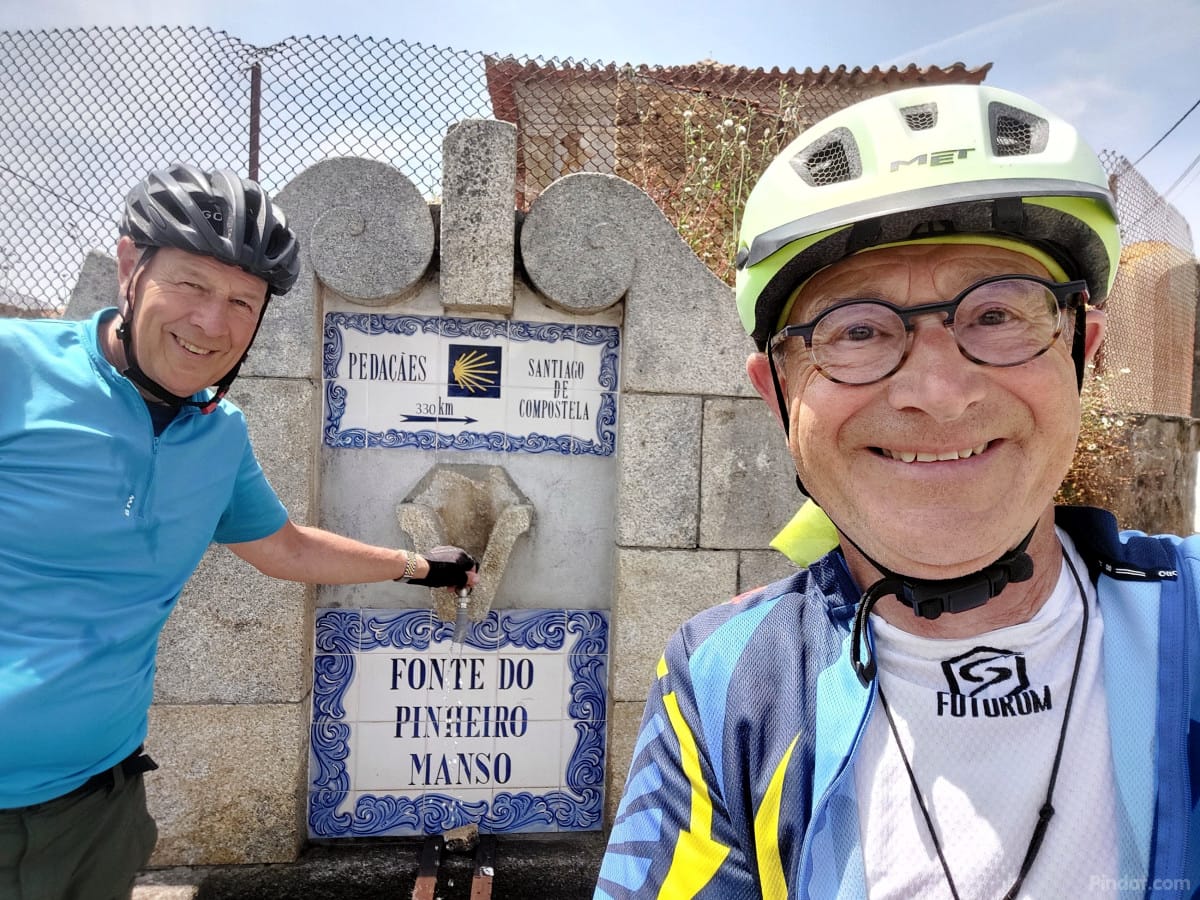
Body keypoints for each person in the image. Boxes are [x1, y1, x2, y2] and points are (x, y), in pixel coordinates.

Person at [597, 84, 1199, 899]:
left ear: (1082, 353)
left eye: (997, 314)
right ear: (778, 397)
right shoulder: (726, 684)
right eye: (856, 330)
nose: (940, 393)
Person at [0, 163, 478, 899]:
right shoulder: (15, 372)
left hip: (96, 810)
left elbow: (284, 547)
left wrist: (419, 566)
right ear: (131, 266)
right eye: (190, 285)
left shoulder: (217, 438)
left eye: (241, 302)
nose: (211, 324)